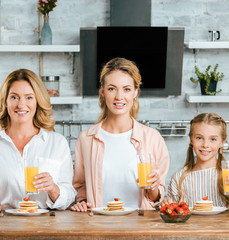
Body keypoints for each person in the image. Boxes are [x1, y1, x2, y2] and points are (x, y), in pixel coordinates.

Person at [0, 69, 76, 213]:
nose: (21, 105)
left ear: (38, 101)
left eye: (29, 97)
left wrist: (53, 189)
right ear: (5, 102)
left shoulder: (57, 143)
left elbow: (68, 196)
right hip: (2, 226)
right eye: (14, 97)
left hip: (46, 227)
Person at [71, 57, 170, 211]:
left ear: (135, 92)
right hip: (98, 225)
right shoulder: (86, 139)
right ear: (102, 92)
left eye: (126, 89)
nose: (119, 96)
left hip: (140, 226)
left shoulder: (153, 138)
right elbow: (81, 187)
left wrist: (154, 187)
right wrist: (82, 202)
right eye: (112, 88)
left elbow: (156, 198)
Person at [161, 112, 229, 209]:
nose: (205, 144)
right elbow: (172, 211)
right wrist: (166, 204)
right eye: (199, 138)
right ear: (191, 140)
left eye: (213, 139)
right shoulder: (179, 178)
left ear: (222, 142)